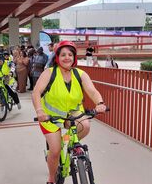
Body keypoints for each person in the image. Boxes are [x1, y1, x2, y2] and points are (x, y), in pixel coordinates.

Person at [32, 41, 106, 184]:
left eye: (70, 55)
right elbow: (36, 92)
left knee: (86, 125)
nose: (67, 58)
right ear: (57, 57)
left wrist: (100, 103)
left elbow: (92, 90)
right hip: (49, 117)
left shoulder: (80, 74)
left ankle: (67, 142)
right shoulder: (49, 72)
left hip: (73, 113)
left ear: (74, 57)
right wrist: (40, 111)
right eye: (63, 54)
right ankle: (52, 178)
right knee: (54, 151)